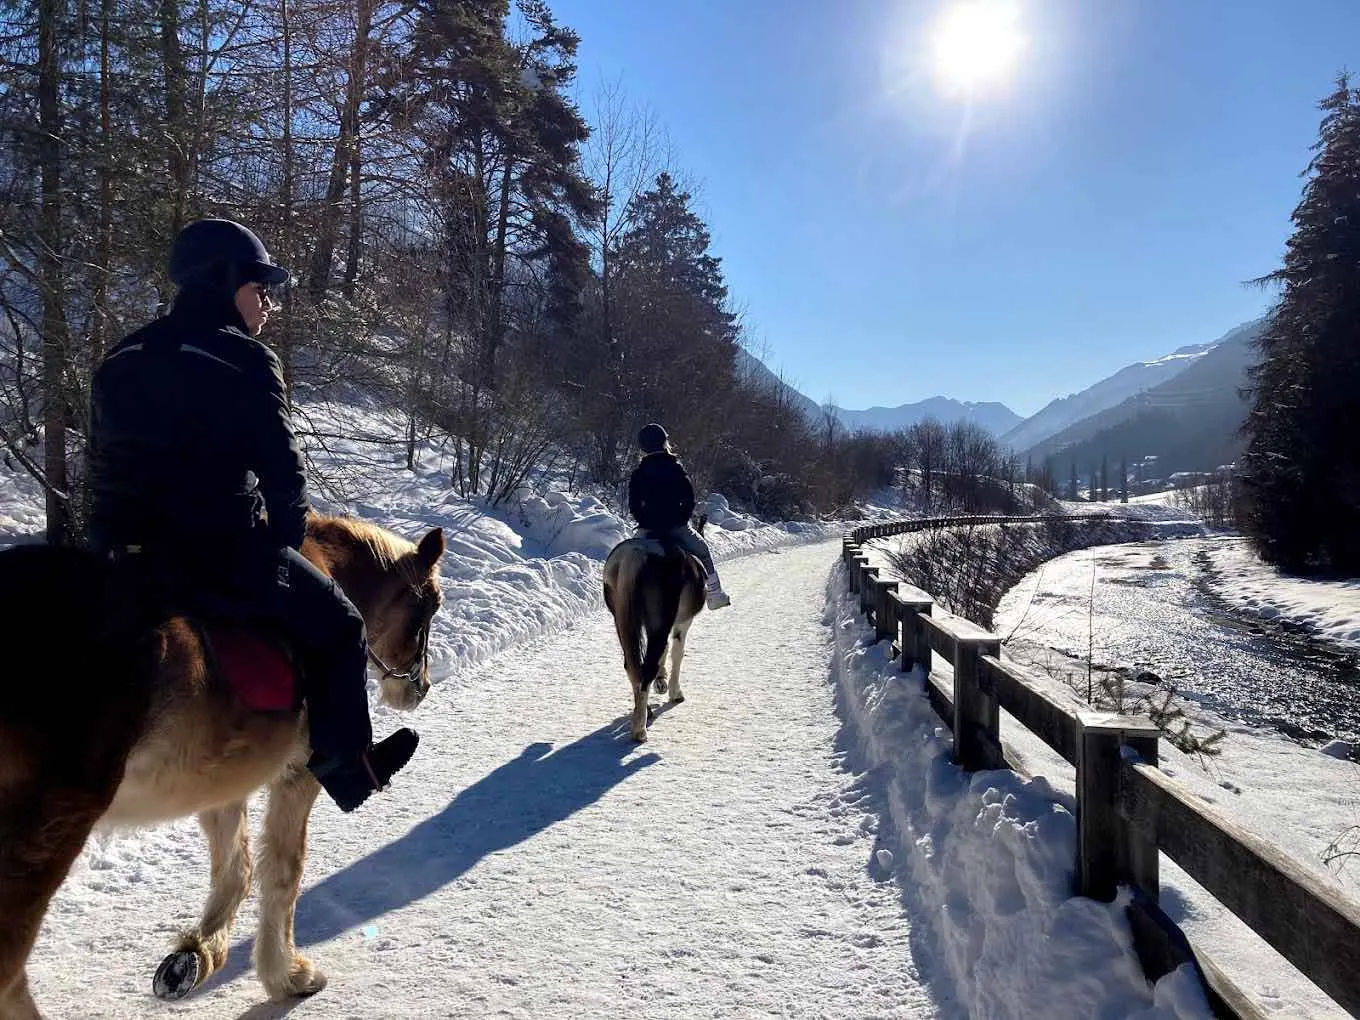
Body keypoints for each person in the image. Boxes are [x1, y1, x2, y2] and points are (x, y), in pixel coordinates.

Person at [87, 217, 418, 813]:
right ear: (222, 281)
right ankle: (349, 766)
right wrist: (285, 550)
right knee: (342, 626)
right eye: (259, 286)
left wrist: (104, 548)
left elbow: (102, 467)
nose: (267, 302)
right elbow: (283, 477)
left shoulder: (120, 355)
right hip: (216, 553)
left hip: (124, 555)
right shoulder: (244, 358)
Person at [627, 422, 731, 610]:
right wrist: (680, 519)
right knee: (702, 551)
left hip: (647, 529)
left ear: (642, 447)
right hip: (677, 527)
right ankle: (715, 595)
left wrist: (646, 521)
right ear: (665, 442)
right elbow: (689, 500)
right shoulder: (675, 468)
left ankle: (628, 602)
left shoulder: (639, 473)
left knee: (629, 561)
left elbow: (634, 505)